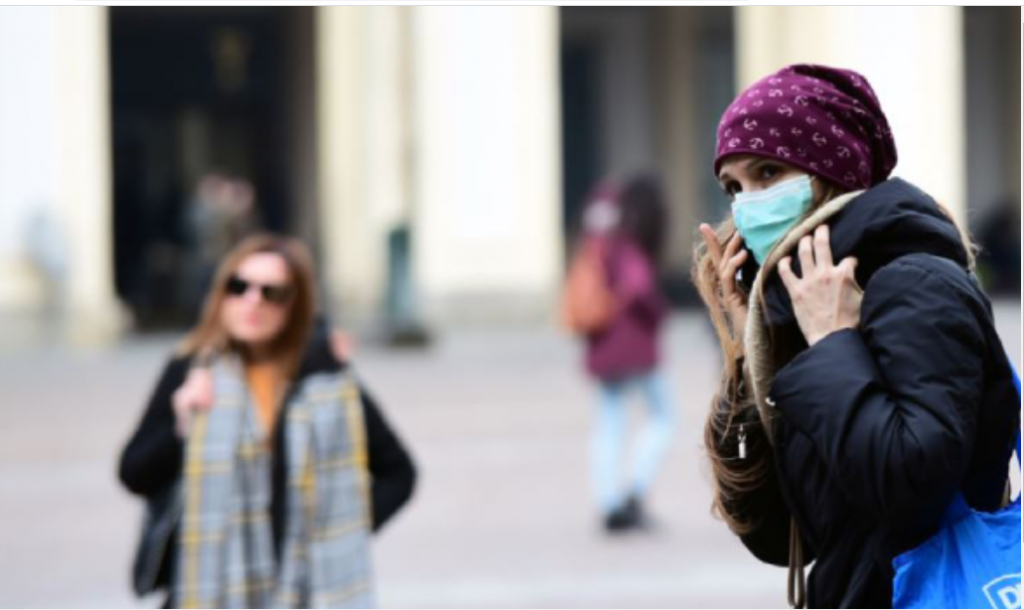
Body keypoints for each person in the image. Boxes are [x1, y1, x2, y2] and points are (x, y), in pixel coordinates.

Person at [694, 64, 1019, 609]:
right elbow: (775, 535)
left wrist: (833, 345)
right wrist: (747, 349)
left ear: (831, 173)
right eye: (734, 186)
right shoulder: (806, 305)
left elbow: (909, 485)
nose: (748, 203)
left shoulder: (915, 284)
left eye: (769, 172)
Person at [119, 234, 416, 608]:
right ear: (221, 293)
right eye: (239, 286)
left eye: (271, 292)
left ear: (295, 304)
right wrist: (182, 425)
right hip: (208, 590)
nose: (252, 301)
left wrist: (339, 533)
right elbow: (133, 474)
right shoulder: (192, 369)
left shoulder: (326, 381)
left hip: (306, 594)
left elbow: (400, 473)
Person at [576, 175, 677, 534]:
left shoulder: (598, 239)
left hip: (602, 344)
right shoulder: (630, 243)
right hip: (633, 346)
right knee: (664, 416)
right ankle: (634, 489)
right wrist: (660, 311)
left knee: (609, 422)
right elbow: (639, 288)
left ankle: (609, 502)